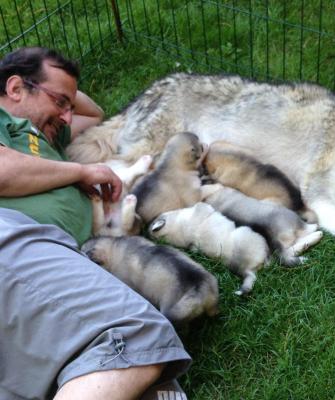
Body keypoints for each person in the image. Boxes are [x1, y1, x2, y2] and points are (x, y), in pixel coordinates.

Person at [0, 47, 191, 400]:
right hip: (15, 241)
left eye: (68, 105)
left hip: (38, 268)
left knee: (155, 389)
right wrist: (83, 170)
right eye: (60, 102)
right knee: (136, 337)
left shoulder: (44, 135)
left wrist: (59, 92)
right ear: (14, 89)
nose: (68, 116)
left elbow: (94, 113)